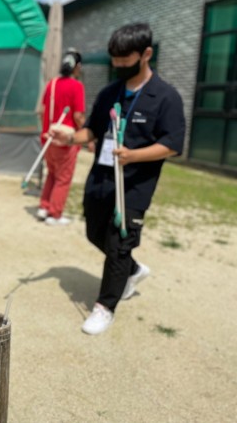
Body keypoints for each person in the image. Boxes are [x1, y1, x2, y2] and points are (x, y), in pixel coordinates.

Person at [49, 23, 185, 335]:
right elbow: (92, 132)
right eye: (115, 60)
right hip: (101, 178)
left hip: (135, 185)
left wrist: (134, 155)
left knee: (119, 244)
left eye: (126, 60)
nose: (119, 66)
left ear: (146, 54)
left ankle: (104, 306)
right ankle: (133, 271)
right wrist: (69, 136)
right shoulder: (110, 92)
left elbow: (172, 145)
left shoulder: (166, 96)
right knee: (94, 232)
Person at [36, 49, 86, 226]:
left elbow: (42, 111)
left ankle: (44, 206)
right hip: (66, 140)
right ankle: (55, 214)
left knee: (52, 173)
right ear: (77, 67)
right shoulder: (77, 86)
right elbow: (79, 116)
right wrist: (87, 134)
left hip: (48, 138)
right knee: (63, 178)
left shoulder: (52, 83)